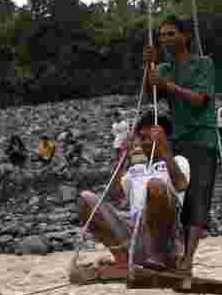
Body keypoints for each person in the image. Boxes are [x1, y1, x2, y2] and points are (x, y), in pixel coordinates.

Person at [144, 15, 220, 276]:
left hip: (203, 138)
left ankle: (188, 259)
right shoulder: (164, 69)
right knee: (178, 194)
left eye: (170, 34)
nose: (165, 39)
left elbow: (200, 99)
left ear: (185, 36)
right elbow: (150, 91)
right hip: (178, 139)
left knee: (198, 197)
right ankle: (170, 252)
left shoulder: (204, 64)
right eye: (162, 35)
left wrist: (168, 85)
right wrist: (148, 66)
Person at [75, 113, 190, 279]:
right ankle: (123, 261)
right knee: (85, 199)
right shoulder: (136, 170)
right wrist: (123, 159)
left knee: (155, 186)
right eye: (142, 138)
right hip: (137, 234)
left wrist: (164, 149)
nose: (145, 142)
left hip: (167, 238)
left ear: (164, 138)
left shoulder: (178, 161)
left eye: (150, 137)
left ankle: (157, 258)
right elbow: (114, 196)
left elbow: (180, 185)